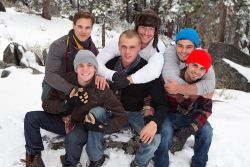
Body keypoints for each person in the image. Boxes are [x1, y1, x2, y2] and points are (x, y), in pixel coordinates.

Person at [21, 50, 127, 167]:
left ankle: (69, 163)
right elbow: (46, 104)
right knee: (31, 117)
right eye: (81, 65)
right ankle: (33, 156)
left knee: (73, 139)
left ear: (95, 69)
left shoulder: (101, 89)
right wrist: (65, 104)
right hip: (62, 121)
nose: (85, 69)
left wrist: (102, 127)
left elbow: (122, 116)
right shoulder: (65, 80)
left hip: (81, 126)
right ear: (76, 68)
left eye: (89, 65)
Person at [85, 30, 169, 167]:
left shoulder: (147, 70)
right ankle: (96, 158)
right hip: (110, 111)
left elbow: (162, 104)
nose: (127, 51)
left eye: (132, 47)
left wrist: (153, 123)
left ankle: (139, 163)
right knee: (94, 114)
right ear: (118, 47)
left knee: (155, 138)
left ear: (139, 47)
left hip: (135, 114)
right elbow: (88, 76)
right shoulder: (108, 65)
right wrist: (97, 76)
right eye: (124, 46)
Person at [154, 49, 213, 167]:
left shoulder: (204, 86)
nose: (197, 71)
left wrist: (190, 129)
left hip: (190, 116)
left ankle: (199, 163)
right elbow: (156, 99)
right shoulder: (172, 77)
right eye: (195, 65)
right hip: (168, 115)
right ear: (187, 63)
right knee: (164, 134)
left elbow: (205, 110)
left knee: (207, 131)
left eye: (202, 69)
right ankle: (161, 163)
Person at [96, 8, 165, 88]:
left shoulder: (158, 47)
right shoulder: (122, 39)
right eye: (143, 27)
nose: (146, 33)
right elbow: (97, 62)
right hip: (116, 76)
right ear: (137, 27)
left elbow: (154, 71)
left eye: (151, 29)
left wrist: (128, 80)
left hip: (139, 86)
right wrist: (109, 75)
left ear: (155, 31)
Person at [42, 10, 99, 101]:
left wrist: (100, 76)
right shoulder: (59, 46)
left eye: (87, 27)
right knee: (48, 97)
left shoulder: (91, 47)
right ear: (73, 25)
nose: (83, 31)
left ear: (91, 28)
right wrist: (72, 89)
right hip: (57, 84)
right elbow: (50, 75)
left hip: (79, 83)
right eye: (80, 27)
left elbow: (99, 66)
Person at [162, 28, 215, 97]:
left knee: (208, 95)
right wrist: (197, 91)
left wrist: (179, 88)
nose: (183, 51)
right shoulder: (170, 52)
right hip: (161, 90)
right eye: (180, 46)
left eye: (189, 47)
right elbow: (170, 79)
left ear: (195, 48)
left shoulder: (201, 56)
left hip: (184, 89)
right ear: (176, 45)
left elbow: (210, 84)